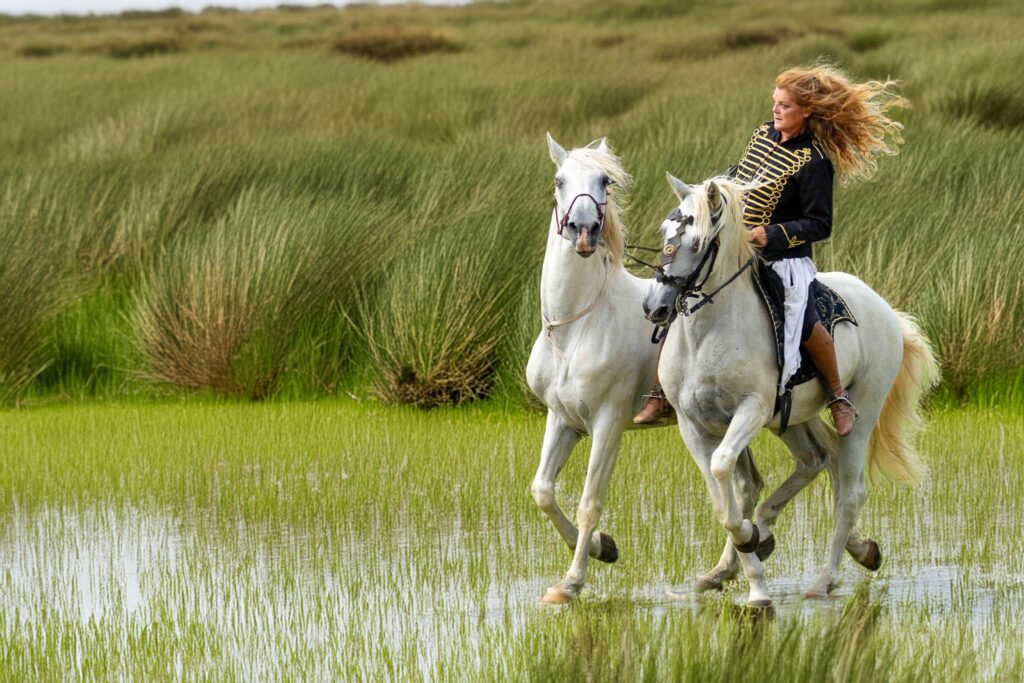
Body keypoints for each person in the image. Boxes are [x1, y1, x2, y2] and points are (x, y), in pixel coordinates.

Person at [634, 64, 907, 436]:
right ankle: (660, 392)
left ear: (806, 111)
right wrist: (709, 199)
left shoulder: (814, 162)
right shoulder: (762, 134)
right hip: (738, 247)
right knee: (684, 290)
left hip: (784, 259)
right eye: (775, 103)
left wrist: (772, 234)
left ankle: (838, 395)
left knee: (802, 317)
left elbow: (819, 224)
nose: (776, 110)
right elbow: (738, 176)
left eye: (785, 105)